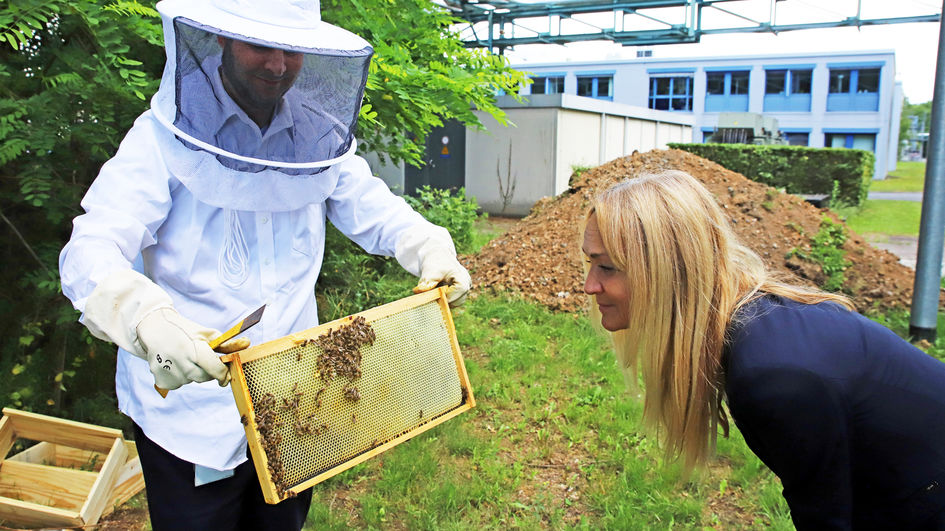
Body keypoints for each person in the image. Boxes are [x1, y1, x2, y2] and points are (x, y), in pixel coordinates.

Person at [58, 0, 470, 529]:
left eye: (291, 49)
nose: (278, 65)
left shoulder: (317, 133)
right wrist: (143, 318)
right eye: (261, 46)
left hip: (295, 400)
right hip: (191, 413)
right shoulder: (160, 136)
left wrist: (429, 247)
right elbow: (92, 245)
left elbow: (374, 207)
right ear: (222, 38)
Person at [581, 170, 945, 530]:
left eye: (607, 267)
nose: (589, 285)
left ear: (670, 272)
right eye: (590, 263)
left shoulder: (772, 376)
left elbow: (828, 519)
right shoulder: (757, 324)